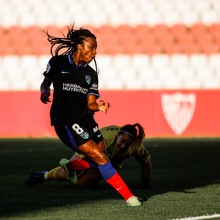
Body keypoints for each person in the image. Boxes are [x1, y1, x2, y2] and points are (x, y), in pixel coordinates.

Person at [37, 24, 142, 206]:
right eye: (91, 47)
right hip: (66, 122)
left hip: (85, 119)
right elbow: (45, 83)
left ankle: (68, 167)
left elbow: (90, 103)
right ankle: (129, 197)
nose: (94, 52)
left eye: (96, 48)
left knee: (103, 158)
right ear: (79, 46)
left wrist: (99, 106)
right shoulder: (57, 63)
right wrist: (44, 91)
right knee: (100, 159)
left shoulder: (90, 74)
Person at [26, 124, 151, 189]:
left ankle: (93, 179)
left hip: (106, 164)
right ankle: (44, 175)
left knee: (78, 186)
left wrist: (144, 184)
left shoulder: (136, 147)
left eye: (127, 144)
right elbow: (90, 150)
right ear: (117, 135)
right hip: (90, 149)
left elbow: (146, 163)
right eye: (122, 141)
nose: (123, 146)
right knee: (64, 175)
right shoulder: (105, 139)